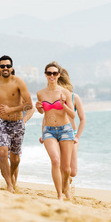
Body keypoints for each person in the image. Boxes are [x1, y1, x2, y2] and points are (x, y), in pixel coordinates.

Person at [0, 55, 33, 192]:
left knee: (15, 159)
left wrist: (11, 109)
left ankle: (11, 178)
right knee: (2, 151)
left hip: (17, 122)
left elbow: (29, 105)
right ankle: (9, 185)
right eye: (2, 66)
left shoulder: (18, 82)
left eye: (8, 66)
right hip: (0, 122)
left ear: (12, 68)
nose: (5, 68)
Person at [36, 61, 75, 200]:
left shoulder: (65, 92)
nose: (51, 76)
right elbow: (43, 114)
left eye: (54, 73)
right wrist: (39, 108)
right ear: (45, 75)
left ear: (58, 75)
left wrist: (64, 104)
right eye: (49, 73)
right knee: (55, 161)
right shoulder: (40, 93)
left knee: (66, 168)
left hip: (65, 130)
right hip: (49, 131)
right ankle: (59, 195)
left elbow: (72, 115)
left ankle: (66, 188)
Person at [56, 67, 86, 178]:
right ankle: (64, 189)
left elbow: (82, 119)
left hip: (71, 134)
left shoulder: (74, 97)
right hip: (56, 133)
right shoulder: (52, 97)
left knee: (72, 172)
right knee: (60, 165)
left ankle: (66, 182)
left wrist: (77, 137)